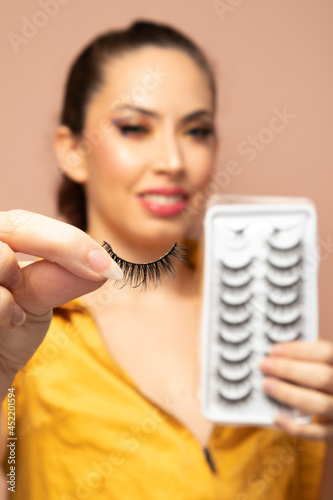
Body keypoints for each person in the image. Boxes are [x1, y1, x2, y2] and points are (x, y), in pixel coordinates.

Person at [0, 19, 332, 500]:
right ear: (73, 152)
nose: (174, 160)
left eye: (196, 131)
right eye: (135, 127)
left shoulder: (276, 313)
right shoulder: (20, 323)